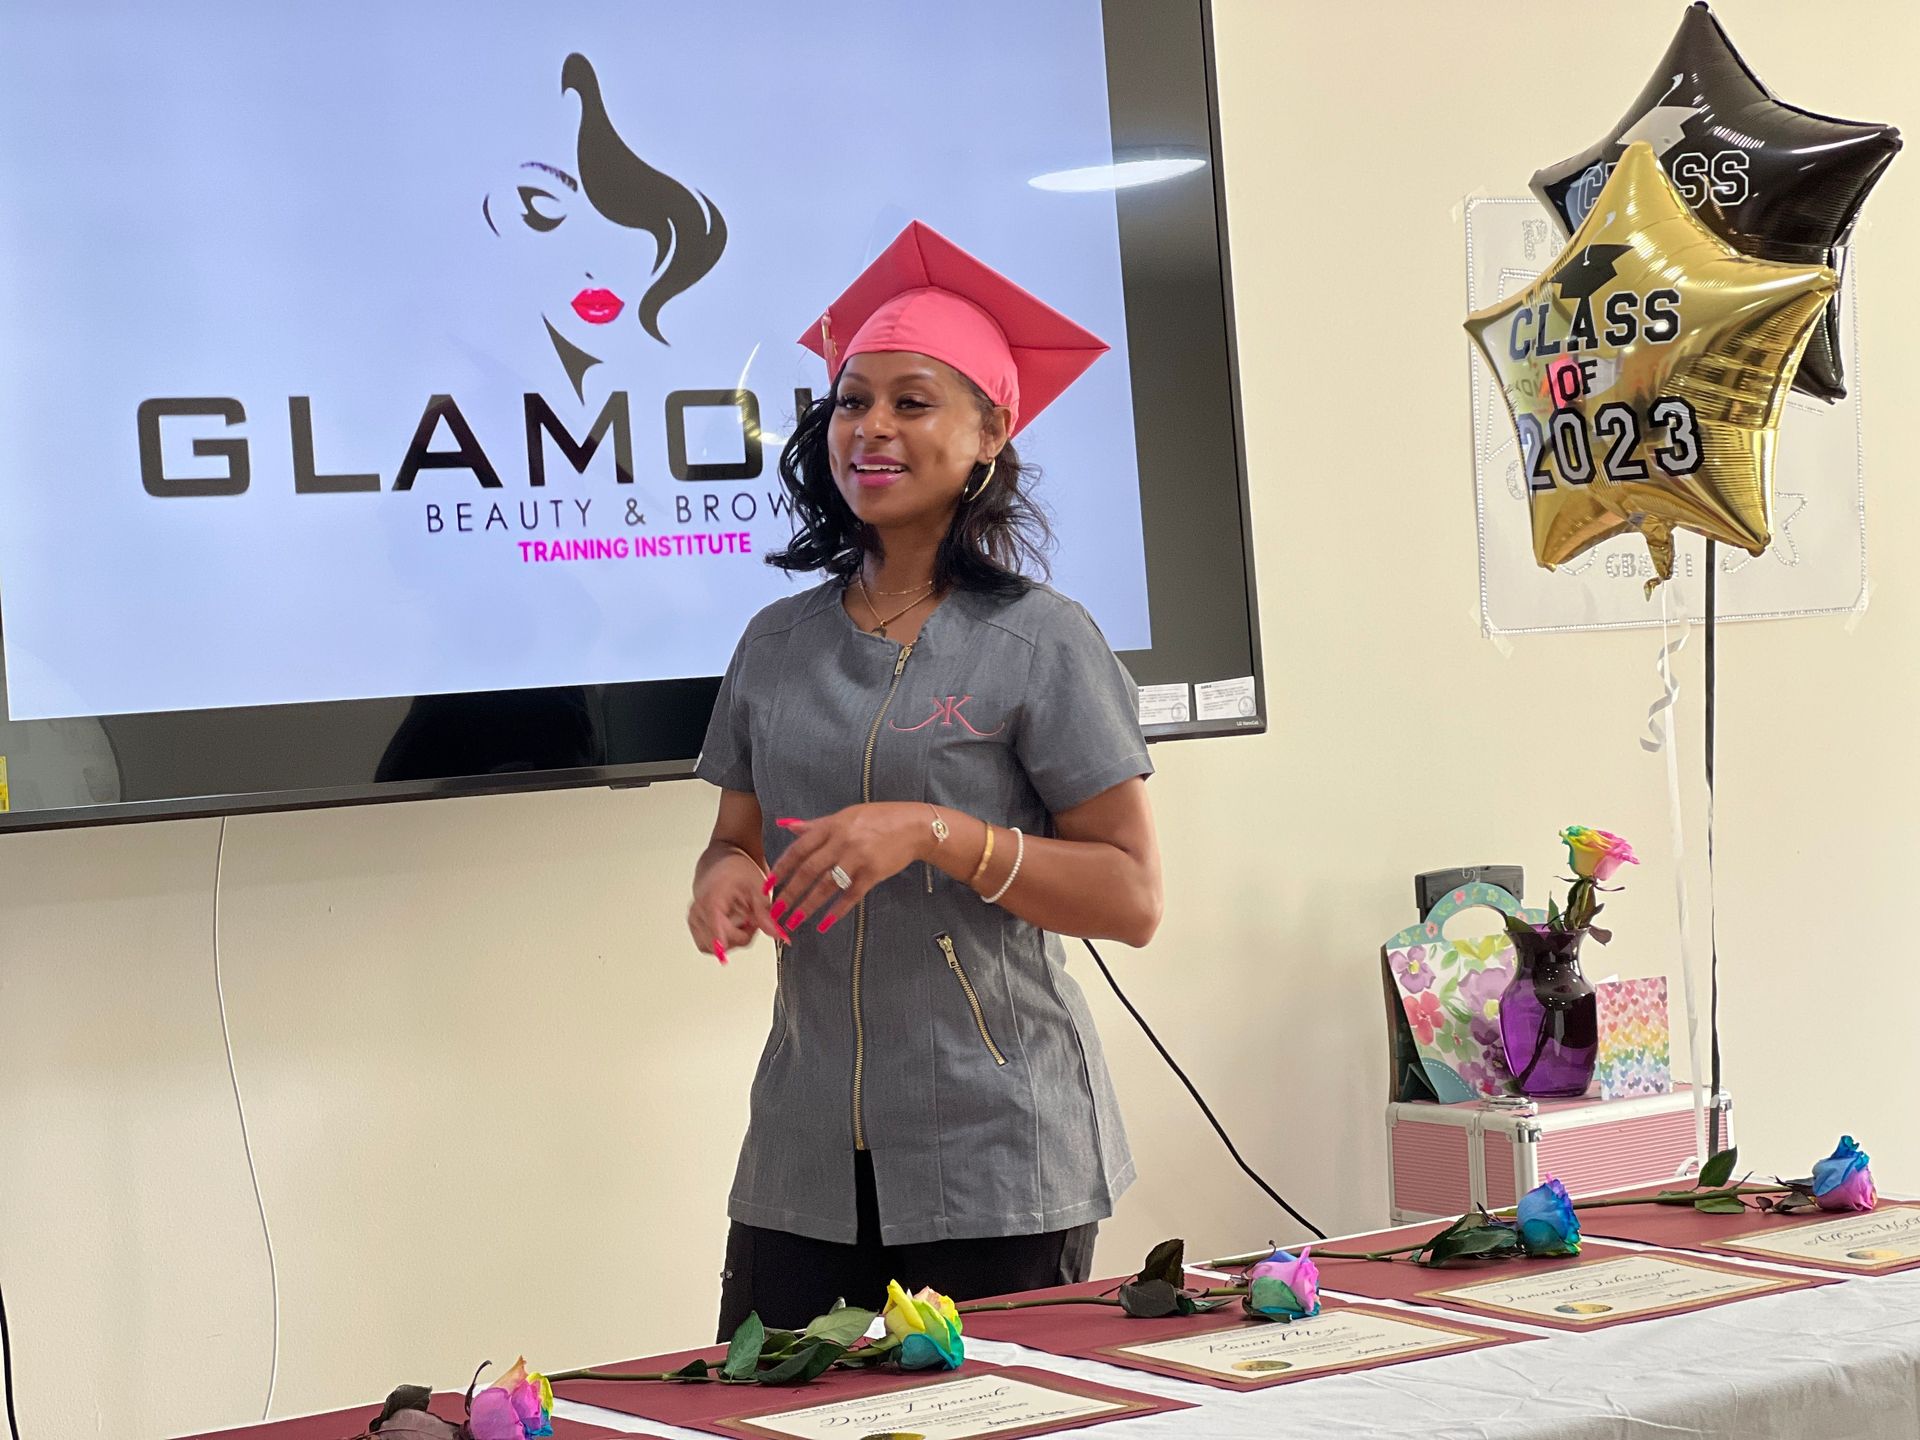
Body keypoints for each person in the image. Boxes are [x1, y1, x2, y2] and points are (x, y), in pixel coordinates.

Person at [686, 222, 1162, 1339]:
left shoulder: (1043, 642)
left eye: (913, 402)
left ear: (990, 432)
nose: (872, 429)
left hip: (995, 1149)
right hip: (803, 1156)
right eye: (853, 402)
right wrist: (722, 879)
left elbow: (1131, 899)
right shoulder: (775, 641)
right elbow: (734, 837)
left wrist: (938, 833)